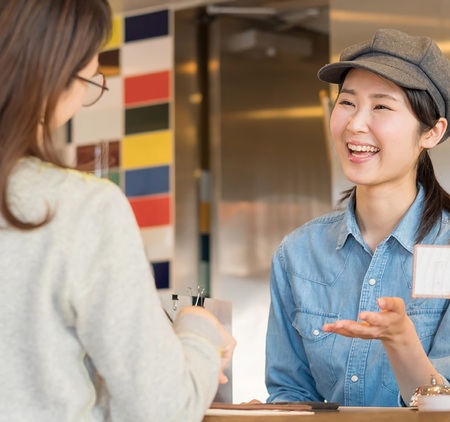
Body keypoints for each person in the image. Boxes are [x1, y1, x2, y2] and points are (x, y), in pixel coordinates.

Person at [0, 1, 235, 421]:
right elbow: (163, 408)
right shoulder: (81, 206)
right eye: (91, 79)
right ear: (57, 78)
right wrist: (198, 330)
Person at [265, 28, 450, 407]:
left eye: (381, 107)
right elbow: (290, 393)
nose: (355, 124)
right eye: (347, 102)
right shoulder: (298, 252)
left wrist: (402, 342)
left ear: (431, 132)